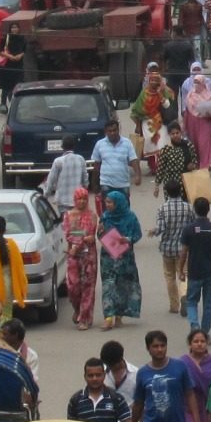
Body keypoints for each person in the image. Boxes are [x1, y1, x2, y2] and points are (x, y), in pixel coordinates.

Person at [182, 197, 211, 335]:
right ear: (208, 209)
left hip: (194, 271)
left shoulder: (188, 230)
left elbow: (184, 252)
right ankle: (205, 333)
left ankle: (195, 325)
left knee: (191, 301)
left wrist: (180, 270)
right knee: (208, 305)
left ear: (194, 210)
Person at [102, 190, 144, 329]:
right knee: (108, 285)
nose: (107, 205)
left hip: (125, 257)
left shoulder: (130, 217)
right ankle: (108, 317)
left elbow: (137, 234)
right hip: (108, 256)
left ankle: (119, 316)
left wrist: (127, 239)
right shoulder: (105, 217)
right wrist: (100, 232)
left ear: (118, 203)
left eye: (110, 202)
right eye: (106, 202)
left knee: (122, 285)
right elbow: (100, 235)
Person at [62, 186, 101, 330]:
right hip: (73, 255)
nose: (82, 202)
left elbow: (91, 233)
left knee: (88, 287)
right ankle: (77, 309)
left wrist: (88, 238)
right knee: (73, 286)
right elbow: (68, 235)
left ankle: (85, 318)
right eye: (80, 199)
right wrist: (79, 241)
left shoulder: (92, 215)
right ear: (74, 200)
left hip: (89, 256)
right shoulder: (68, 215)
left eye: (85, 198)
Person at [153, 180, 193, 317]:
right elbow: (193, 225)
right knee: (184, 274)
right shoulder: (188, 208)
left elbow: (160, 228)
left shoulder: (162, 209)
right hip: (183, 248)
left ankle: (174, 305)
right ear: (181, 191)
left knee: (169, 276)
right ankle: (185, 295)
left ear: (167, 192)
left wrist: (154, 231)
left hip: (167, 248)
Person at [69, 357, 135, 422]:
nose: (94, 378)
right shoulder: (76, 399)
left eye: (98, 375)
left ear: (104, 375)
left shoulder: (116, 398)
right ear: (85, 377)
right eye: (90, 375)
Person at [0, 215, 28, 328]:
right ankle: (5, 336)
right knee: (7, 314)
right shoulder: (11, 244)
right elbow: (19, 267)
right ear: (5, 229)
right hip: (8, 285)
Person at [93, 118, 140, 198]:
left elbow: (133, 160)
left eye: (114, 130)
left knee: (124, 209)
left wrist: (137, 175)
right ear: (106, 132)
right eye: (109, 131)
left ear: (118, 130)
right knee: (108, 210)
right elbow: (97, 165)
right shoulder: (99, 144)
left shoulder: (127, 143)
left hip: (123, 184)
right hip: (106, 184)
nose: (112, 133)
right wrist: (95, 184)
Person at [183, 65, 211, 170]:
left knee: (204, 144)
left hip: (204, 123)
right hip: (192, 123)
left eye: (199, 83)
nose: (197, 85)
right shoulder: (190, 95)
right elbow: (186, 109)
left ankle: (205, 164)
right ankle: (197, 163)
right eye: (195, 82)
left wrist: (208, 113)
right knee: (194, 144)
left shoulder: (208, 95)